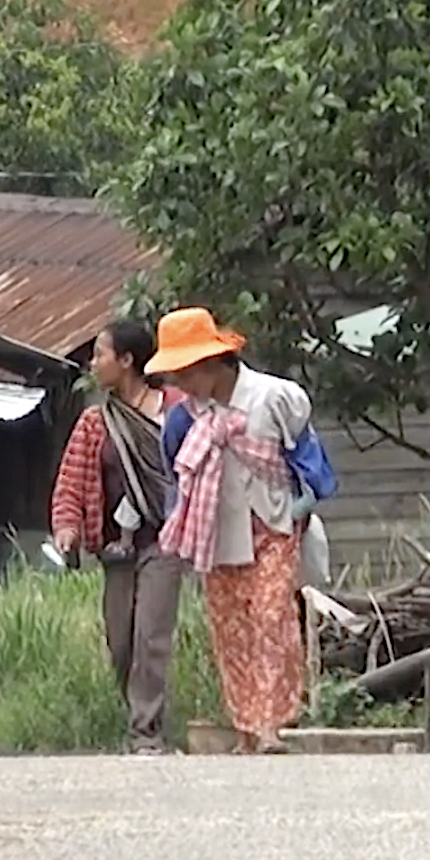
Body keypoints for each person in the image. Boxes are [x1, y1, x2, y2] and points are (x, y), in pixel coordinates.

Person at [146, 307, 315, 755]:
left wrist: (303, 506)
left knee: (271, 617)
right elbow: (176, 476)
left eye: (186, 372)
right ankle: (245, 726)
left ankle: (270, 725)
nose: (181, 383)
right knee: (231, 628)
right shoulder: (184, 418)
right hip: (216, 533)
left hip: (272, 523)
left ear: (211, 363)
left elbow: (308, 457)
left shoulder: (274, 397)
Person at [50, 319, 186, 756]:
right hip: (115, 547)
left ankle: (146, 732)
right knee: (122, 642)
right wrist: (67, 527)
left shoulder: (174, 411)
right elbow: (71, 482)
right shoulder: (96, 422)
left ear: (127, 360)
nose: (93, 364)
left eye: (100, 355)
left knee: (151, 636)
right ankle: (138, 715)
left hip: (164, 539)